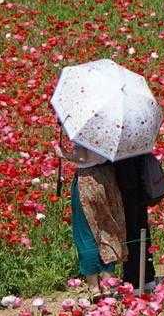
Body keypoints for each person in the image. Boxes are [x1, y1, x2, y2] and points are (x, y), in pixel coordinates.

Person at [54, 124, 126, 298]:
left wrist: (63, 154)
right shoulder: (110, 125)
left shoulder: (84, 126)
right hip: (107, 177)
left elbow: (82, 156)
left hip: (87, 180)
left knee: (85, 233)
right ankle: (108, 284)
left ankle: (94, 288)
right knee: (108, 230)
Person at [113, 154, 158, 290]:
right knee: (141, 228)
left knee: (131, 233)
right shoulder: (138, 141)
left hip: (125, 184)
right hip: (140, 181)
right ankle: (148, 277)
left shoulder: (118, 146)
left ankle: (134, 280)